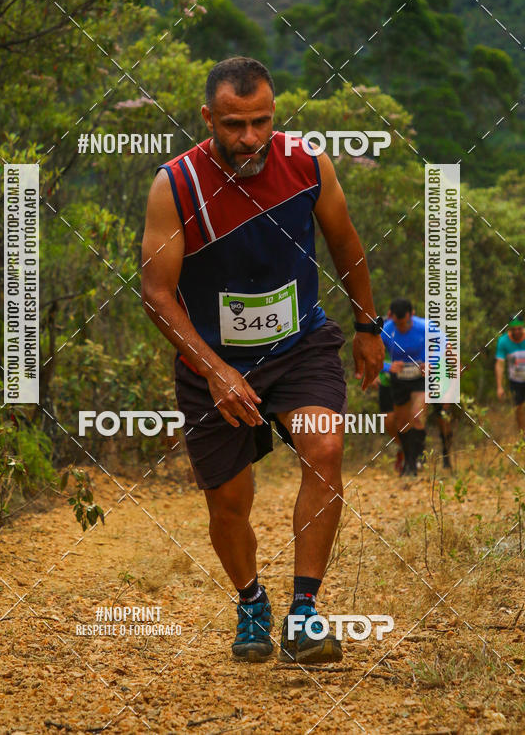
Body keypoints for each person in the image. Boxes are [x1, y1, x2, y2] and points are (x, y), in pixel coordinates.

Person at [140, 57, 384, 664]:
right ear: (207, 119)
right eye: (233, 124)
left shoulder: (307, 163)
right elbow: (157, 292)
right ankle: (251, 601)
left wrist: (366, 324)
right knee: (228, 500)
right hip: (214, 360)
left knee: (325, 447)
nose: (249, 137)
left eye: (261, 122)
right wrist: (215, 370)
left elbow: (345, 241)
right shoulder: (176, 186)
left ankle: (305, 613)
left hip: (300, 344)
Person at [381, 298, 428, 476]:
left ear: (412, 314)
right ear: (391, 317)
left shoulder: (424, 327)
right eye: (397, 323)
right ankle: (409, 462)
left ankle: (416, 459)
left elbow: (442, 348)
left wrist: (430, 363)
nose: (401, 326)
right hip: (399, 380)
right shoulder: (386, 330)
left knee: (417, 416)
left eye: (405, 322)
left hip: (420, 379)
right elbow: (373, 356)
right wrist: (388, 367)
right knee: (402, 423)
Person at [495, 315, 525, 438]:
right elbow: (500, 364)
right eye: (513, 329)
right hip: (515, 379)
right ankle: (523, 437)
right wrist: (499, 386)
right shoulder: (503, 341)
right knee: (519, 408)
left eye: (519, 328)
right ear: (509, 329)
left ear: (523, 327)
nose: (516, 332)